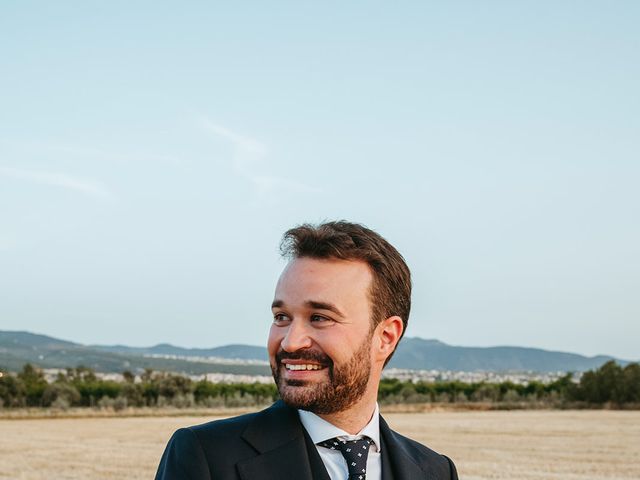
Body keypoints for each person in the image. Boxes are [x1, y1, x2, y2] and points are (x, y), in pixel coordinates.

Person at [155, 221, 458, 479]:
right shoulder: (205, 457)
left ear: (386, 337)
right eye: (281, 317)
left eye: (320, 318)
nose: (290, 342)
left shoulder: (436, 471)